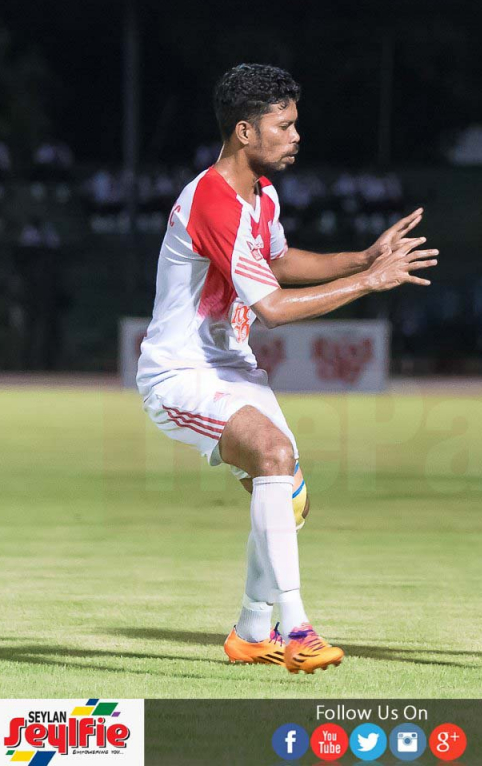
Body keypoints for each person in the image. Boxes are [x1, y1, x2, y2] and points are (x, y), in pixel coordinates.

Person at [136, 64, 437, 673]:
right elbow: (271, 307)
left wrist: (363, 257)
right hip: (180, 373)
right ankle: (296, 629)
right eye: (285, 125)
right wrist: (369, 282)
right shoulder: (213, 201)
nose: (297, 135)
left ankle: (251, 630)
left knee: (288, 501)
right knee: (273, 456)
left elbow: (276, 262)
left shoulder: (262, 194)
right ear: (245, 131)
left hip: (234, 368)